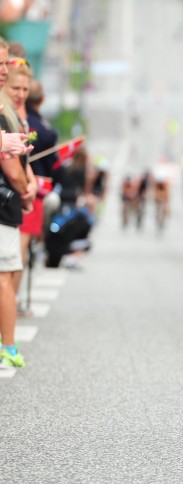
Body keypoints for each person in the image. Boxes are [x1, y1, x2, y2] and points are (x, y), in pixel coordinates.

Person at [0, 38, 37, 370]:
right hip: (5, 203)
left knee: (9, 272)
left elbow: (18, 161)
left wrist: (31, 178)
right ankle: (7, 346)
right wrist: (26, 188)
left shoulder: (10, 113)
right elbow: (11, 166)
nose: (20, 93)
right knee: (6, 275)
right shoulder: (3, 112)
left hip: (9, 203)